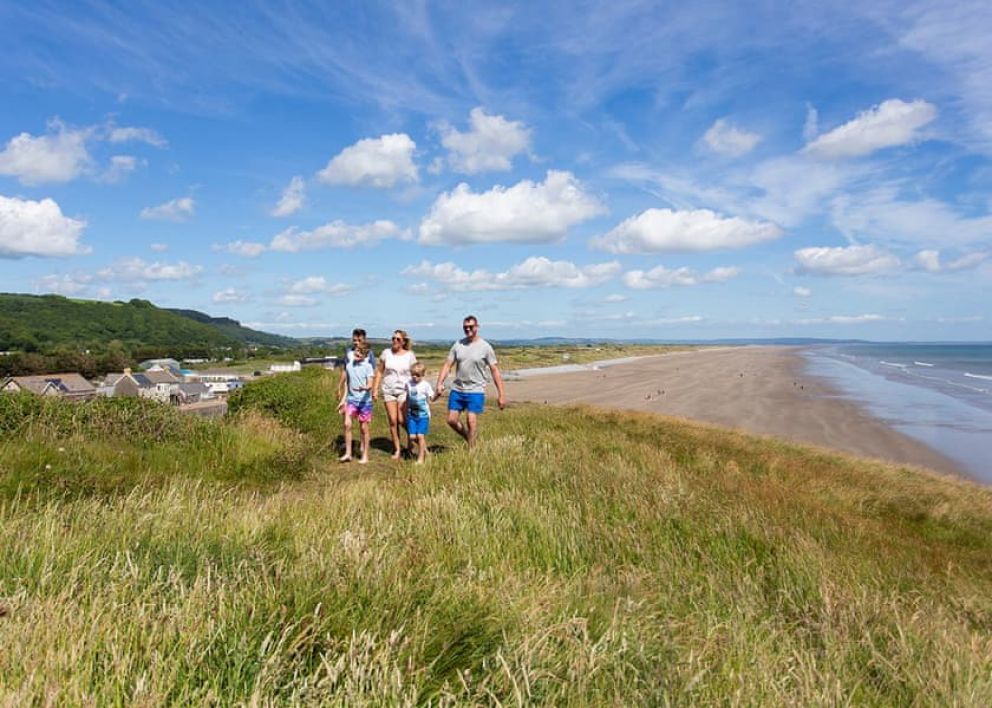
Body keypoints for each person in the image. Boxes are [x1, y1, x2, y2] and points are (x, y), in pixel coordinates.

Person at [435, 315, 506, 449]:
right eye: (465, 327)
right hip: (458, 388)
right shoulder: (458, 345)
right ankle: (469, 438)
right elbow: (447, 365)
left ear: (477, 327)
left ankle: (472, 451)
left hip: (476, 390)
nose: (468, 329)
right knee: (451, 420)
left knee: (471, 419)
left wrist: (501, 395)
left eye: (470, 327)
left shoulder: (485, 347)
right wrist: (439, 383)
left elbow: (494, 370)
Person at [371, 329, 417, 459]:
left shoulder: (410, 355)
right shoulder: (386, 353)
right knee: (392, 420)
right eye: (393, 338)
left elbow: (416, 373)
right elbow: (380, 371)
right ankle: (397, 449)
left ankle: (411, 442)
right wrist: (375, 389)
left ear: (403, 341)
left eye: (398, 339)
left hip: (404, 390)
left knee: (402, 420)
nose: (395, 341)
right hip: (388, 390)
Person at [337, 341, 374, 464]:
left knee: (364, 428)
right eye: (357, 351)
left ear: (366, 355)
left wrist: (366, 388)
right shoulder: (349, 366)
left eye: (361, 352)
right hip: (351, 400)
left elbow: (370, 382)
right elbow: (347, 384)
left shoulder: (368, 367)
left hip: (364, 402)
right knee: (347, 424)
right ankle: (348, 453)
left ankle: (365, 455)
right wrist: (343, 400)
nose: (358, 354)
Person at [404, 362, 440, 464]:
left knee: (420, 436)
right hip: (411, 415)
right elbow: (407, 397)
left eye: (418, 375)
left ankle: (420, 459)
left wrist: (438, 394)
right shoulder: (408, 384)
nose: (415, 377)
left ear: (423, 375)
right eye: (413, 375)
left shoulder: (425, 385)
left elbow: (432, 398)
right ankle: (424, 451)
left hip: (423, 416)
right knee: (411, 437)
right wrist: (406, 409)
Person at [337, 328, 375, 401]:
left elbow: (372, 373)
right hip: (350, 390)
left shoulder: (369, 354)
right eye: (354, 340)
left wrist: (373, 388)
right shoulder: (349, 353)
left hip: (364, 391)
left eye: (359, 340)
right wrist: (340, 386)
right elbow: (345, 371)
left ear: (364, 340)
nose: (356, 343)